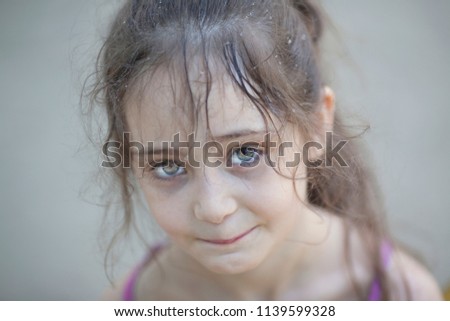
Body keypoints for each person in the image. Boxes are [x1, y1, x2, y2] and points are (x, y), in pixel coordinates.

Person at [87, 0, 443, 300]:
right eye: (167, 165)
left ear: (318, 125)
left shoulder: (400, 295)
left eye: (245, 152)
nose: (214, 208)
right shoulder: (132, 301)